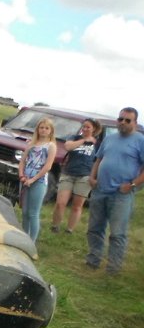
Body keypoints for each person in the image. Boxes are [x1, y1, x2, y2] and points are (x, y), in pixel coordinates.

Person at [86, 107, 144, 273]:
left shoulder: (140, 140)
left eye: (127, 120)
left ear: (135, 123)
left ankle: (113, 268)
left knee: (117, 233)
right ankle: (93, 260)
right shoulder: (109, 138)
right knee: (94, 228)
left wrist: (132, 185)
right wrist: (92, 177)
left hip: (121, 194)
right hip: (100, 189)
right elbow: (98, 159)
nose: (123, 122)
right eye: (120, 119)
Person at [51, 118, 101, 233]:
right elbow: (67, 147)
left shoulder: (97, 144)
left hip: (84, 176)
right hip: (68, 173)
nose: (85, 129)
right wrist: (84, 140)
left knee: (77, 205)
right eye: (83, 126)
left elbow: (97, 160)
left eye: (88, 127)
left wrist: (93, 177)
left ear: (93, 129)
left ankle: (69, 229)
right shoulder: (74, 138)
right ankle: (55, 225)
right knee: (60, 203)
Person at [18, 118, 57, 241]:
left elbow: (47, 166)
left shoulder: (51, 146)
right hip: (26, 178)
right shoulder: (31, 144)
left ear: (50, 131)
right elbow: (23, 161)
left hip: (38, 181)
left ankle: (32, 241)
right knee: (25, 212)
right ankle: (24, 237)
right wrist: (21, 175)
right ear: (37, 129)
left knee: (33, 213)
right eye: (41, 128)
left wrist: (33, 179)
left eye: (46, 128)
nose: (43, 130)